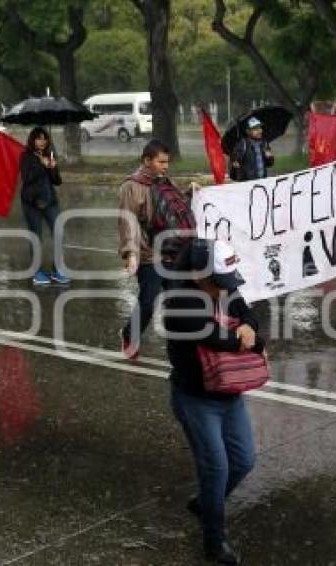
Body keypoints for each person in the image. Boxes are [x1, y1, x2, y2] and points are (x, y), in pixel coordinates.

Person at [164, 239, 264, 565]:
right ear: (197, 275)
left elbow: (250, 316)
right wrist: (243, 338)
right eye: (218, 283)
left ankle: (205, 503)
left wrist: (249, 329)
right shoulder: (179, 301)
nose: (225, 290)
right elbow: (212, 337)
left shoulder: (224, 289)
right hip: (195, 399)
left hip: (229, 394)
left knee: (244, 460)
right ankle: (214, 540)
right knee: (216, 468)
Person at [117, 139, 198, 359]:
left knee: (176, 299)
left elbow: (170, 208)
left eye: (167, 162)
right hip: (147, 254)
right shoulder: (131, 186)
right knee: (149, 301)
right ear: (147, 161)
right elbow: (128, 222)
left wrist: (188, 193)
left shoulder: (162, 180)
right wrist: (130, 253)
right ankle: (129, 335)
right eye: (161, 162)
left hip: (172, 252)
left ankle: (181, 346)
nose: (165, 166)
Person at [19, 127, 68, 286]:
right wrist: (41, 165)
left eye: (44, 138)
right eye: (39, 138)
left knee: (59, 233)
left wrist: (52, 167)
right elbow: (28, 178)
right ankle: (36, 272)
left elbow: (57, 181)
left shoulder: (50, 154)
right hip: (32, 202)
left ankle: (57, 270)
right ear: (32, 140)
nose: (42, 141)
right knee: (36, 237)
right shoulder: (26, 156)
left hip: (49, 201)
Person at [229, 117, 273, 181]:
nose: (259, 131)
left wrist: (270, 157)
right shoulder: (242, 144)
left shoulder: (264, 143)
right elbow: (234, 165)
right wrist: (235, 165)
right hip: (248, 184)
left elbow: (269, 164)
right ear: (248, 131)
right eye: (255, 129)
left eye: (260, 128)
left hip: (263, 182)